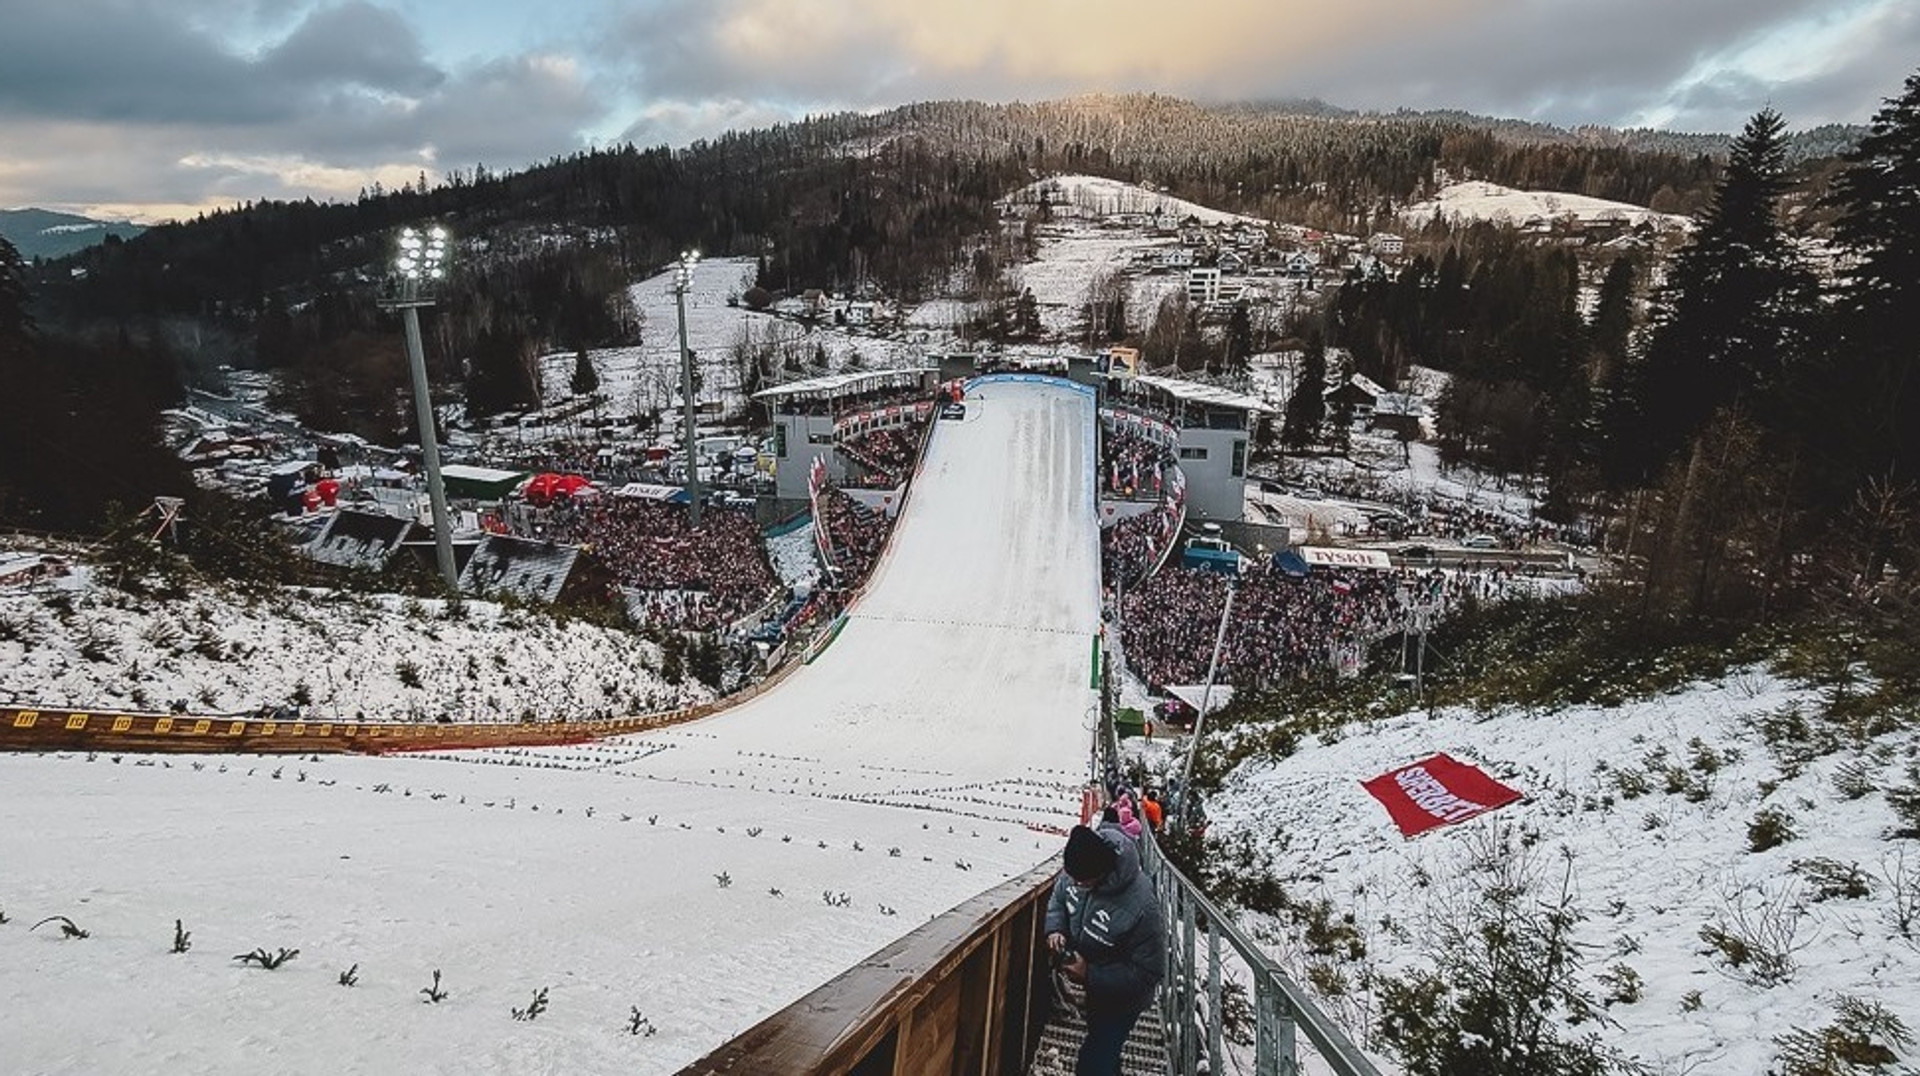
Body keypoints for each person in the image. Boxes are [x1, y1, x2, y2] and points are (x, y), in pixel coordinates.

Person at [1045, 823, 1165, 1076]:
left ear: (1101, 873)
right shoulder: (1079, 872)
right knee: (1104, 1054)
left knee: (1091, 1065)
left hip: (1124, 1002)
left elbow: (1149, 973)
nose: (1076, 883)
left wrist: (1090, 973)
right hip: (1096, 992)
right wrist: (1056, 929)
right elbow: (1059, 895)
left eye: (1082, 880)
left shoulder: (1143, 905)